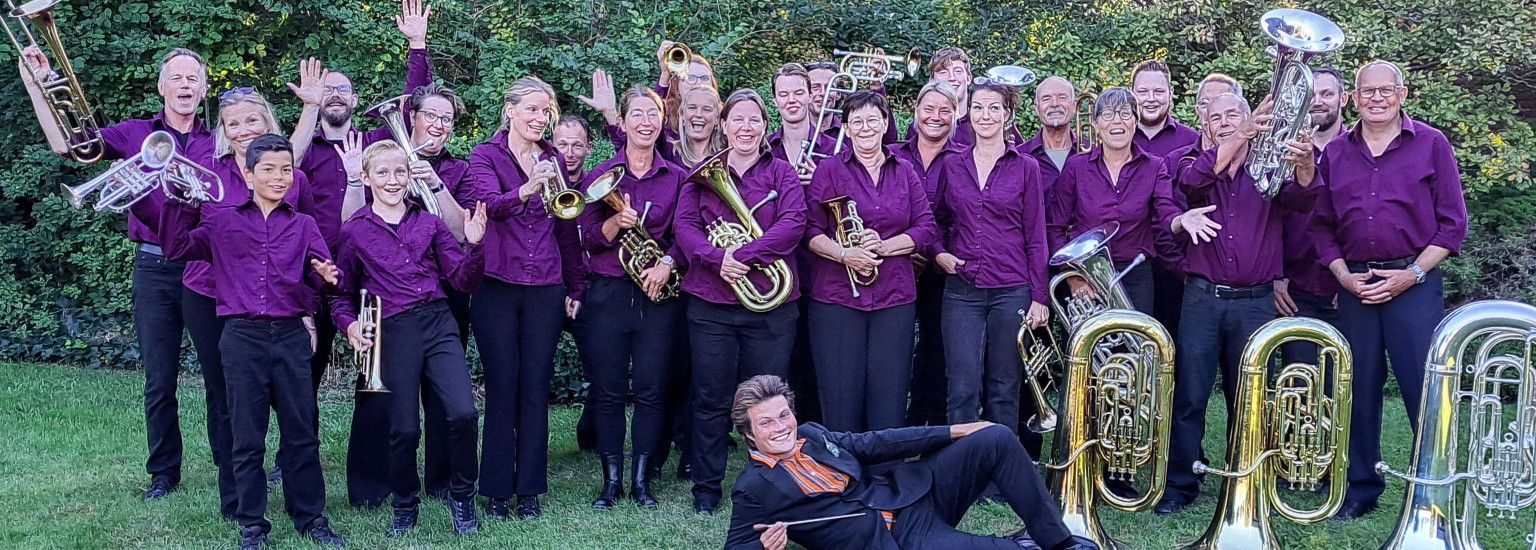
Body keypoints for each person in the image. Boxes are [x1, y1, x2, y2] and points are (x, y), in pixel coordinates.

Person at [18, 45, 216, 503]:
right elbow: (69, 146)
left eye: (193, 79)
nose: (185, 86)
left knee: (219, 375)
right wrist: (37, 84)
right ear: (162, 87)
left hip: (206, 267)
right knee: (159, 378)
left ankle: (232, 464)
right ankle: (164, 473)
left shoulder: (219, 139)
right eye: (177, 78)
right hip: (154, 266)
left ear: (204, 88)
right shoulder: (135, 134)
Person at [158, 134, 346, 549]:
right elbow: (175, 248)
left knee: (302, 433)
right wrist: (180, 199)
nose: (279, 177)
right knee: (246, 435)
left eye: (286, 169)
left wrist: (328, 278)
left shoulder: (304, 224)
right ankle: (252, 525)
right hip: (241, 337)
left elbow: (321, 277)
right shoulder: (223, 221)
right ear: (247, 174)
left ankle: (311, 518)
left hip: (291, 336)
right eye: (269, 169)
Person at [1311, 60, 1467, 520]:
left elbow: (1453, 224)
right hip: (1358, 283)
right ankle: (1361, 488)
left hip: (1413, 283)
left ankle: (1431, 491)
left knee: (1425, 387)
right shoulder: (1336, 152)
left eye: (1386, 90)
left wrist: (1412, 275)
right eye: (1367, 91)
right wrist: (1342, 275)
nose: (1376, 98)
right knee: (1358, 388)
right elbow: (1321, 226)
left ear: (1402, 94)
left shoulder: (1432, 145)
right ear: (1353, 99)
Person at [1155, 93, 1319, 515]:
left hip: (1256, 303)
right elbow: (1190, 187)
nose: (1225, 122)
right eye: (1217, 117)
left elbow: (1305, 201)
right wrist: (1240, 135)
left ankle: (1246, 477)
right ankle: (1181, 484)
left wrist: (1303, 165)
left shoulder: (1271, 166)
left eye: (1235, 115)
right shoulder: (1191, 165)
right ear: (1204, 125)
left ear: (1251, 120)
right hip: (1203, 299)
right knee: (1189, 393)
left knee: (1249, 395)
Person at [723, 375, 1096, 550]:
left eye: (783, 415)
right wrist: (768, 548)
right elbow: (738, 546)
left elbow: (874, 443)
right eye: (766, 423)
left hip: (912, 493)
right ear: (749, 434)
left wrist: (954, 431)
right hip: (897, 538)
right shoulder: (753, 488)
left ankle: (1059, 541)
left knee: (995, 436)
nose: (781, 428)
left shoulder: (812, 433)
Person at [287, 0, 437, 415]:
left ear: (355, 100)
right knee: (306, 367)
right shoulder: (306, 144)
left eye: (343, 90)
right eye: (328, 90)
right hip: (313, 270)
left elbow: (411, 107)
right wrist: (309, 106)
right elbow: (286, 168)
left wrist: (417, 44)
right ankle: (298, 453)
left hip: (371, 269)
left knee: (375, 364)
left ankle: (373, 451)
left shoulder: (375, 142)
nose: (335, 95)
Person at [329, 140, 487, 536]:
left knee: (464, 413)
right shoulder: (353, 231)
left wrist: (475, 244)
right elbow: (338, 293)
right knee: (403, 428)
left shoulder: (429, 223)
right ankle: (404, 504)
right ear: (365, 178)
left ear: (410, 175)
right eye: (382, 172)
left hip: (438, 323)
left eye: (400, 171)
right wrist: (348, 324)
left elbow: (463, 279)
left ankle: (463, 497)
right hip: (391, 329)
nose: (392, 180)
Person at [674, 89, 806, 514]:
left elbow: (792, 224)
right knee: (711, 398)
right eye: (738, 120)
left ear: (764, 127)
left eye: (754, 120)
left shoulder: (782, 174)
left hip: (771, 310)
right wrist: (717, 260)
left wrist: (741, 257)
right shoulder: (699, 176)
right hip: (711, 305)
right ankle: (707, 489)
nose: (745, 128)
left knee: (768, 405)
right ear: (724, 125)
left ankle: (766, 486)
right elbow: (685, 227)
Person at [461, 76, 588, 519]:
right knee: (502, 386)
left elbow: (567, 228)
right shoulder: (484, 155)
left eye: (545, 111)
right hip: (496, 284)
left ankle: (530, 490)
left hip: (546, 286)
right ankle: (496, 490)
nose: (539, 118)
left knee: (535, 387)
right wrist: (527, 188)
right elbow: (485, 205)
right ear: (510, 110)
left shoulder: (553, 158)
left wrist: (576, 285)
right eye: (531, 109)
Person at [574, 87, 686, 509]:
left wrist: (667, 264)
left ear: (662, 121)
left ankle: (641, 481)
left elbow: (687, 235)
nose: (645, 122)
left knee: (653, 388)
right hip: (609, 293)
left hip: (658, 293)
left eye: (653, 113)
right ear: (622, 122)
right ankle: (611, 481)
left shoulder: (676, 177)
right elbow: (584, 235)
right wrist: (615, 224)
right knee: (608, 390)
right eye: (636, 114)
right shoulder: (602, 174)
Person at [803, 90, 937, 433]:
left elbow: (926, 227)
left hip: (894, 296)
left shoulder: (905, 171)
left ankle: (886, 478)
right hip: (836, 298)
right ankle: (844, 476)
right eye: (857, 121)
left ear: (886, 124)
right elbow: (809, 229)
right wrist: (846, 254)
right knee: (840, 396)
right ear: (846, 128)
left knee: (889, 397)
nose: (865, 127)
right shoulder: (828, 170)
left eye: (873, 119)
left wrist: (884, 246)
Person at [930, 80, 1048, 453]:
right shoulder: (952, 165)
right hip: (962, 290)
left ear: (1008, 115)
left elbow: (1036, 235)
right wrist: (938, 252)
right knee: (962, 386)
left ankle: (999, 469)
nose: (986, 115)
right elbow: (932, 220)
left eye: (994, 108)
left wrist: (1040, 296)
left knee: (1004, 386)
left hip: (1011, 289)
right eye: (979, 107)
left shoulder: (1026, 167)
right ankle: (959, 467)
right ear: (969, 114)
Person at [1046, 87, 1185, 315]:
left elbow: (1166, 210)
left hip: (1136, 274)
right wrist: (1072, 277)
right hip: (1085, 276)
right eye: (1108, 114)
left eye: (1125, 113)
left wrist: (1182, 220)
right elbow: (1054, 227)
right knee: (1088, 348)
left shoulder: (1155, 166)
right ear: (1097, 124)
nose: (1117, 121)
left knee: (1141, 344)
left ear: (1135, 121)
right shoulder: (1076, 167)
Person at [892, 81, 965, 429]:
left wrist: (931, 251)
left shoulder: (964, 159)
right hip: (893, 267)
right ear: (915, 111)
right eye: (929, 109)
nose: (935, 117)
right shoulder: (892, 153)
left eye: (945, 111)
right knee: (895, 350)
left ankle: (927, 426)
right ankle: (894, 425)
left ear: (956, 115)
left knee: (937, 352)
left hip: (941, 270)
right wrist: (903, 249)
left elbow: (963, 217)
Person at [1276, 67, 1346, 368]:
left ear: (1343, 98)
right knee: (1298, 380)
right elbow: (1268, 217)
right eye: (1311, 94)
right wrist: (1274, 278)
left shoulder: (1361, 149)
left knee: (1347, 386)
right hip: (1294, 288)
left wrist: (1348, 280)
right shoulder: (1280, 149)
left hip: (1346, 287)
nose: (1318, 101)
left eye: (1327, 94)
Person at [905, 47, 1023, 147]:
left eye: (958, 71)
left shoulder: (989, 120)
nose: (951, 78)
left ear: (968, 78)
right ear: (932, 80)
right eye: (943, 72)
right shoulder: (921, 125)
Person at [1019, 76, 1082, 198]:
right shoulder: (1019, 156)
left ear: (1074, 106)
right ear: (1037, 109)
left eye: (1062, 97)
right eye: (1046, 99)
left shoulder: (1092, 152)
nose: (1054, 104)